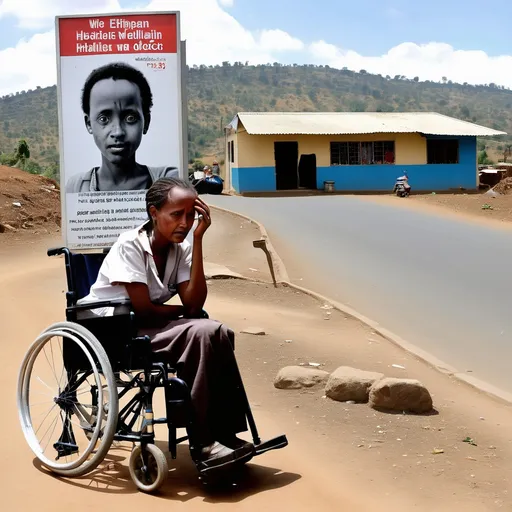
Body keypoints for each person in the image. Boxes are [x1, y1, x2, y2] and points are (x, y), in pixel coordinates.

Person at [77, 177, 252, 469]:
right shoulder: (129, 244)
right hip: (115, 328)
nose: (185, 222)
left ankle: (226, 432)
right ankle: (203, 440)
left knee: (219, 332)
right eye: (176, 215)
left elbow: (194, 304)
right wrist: (181, 313)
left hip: (148, 325)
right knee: (201, 332)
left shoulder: (179, 248)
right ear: (154, 213)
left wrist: (197, 240)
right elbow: (144, 309)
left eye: (191, 215)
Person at [66, 62, 178, 193]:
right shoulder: (76, 187)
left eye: (130, 118)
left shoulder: (169, 181)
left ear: (146, 122)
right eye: (104, 119)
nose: (118, 132)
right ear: (89, 124)